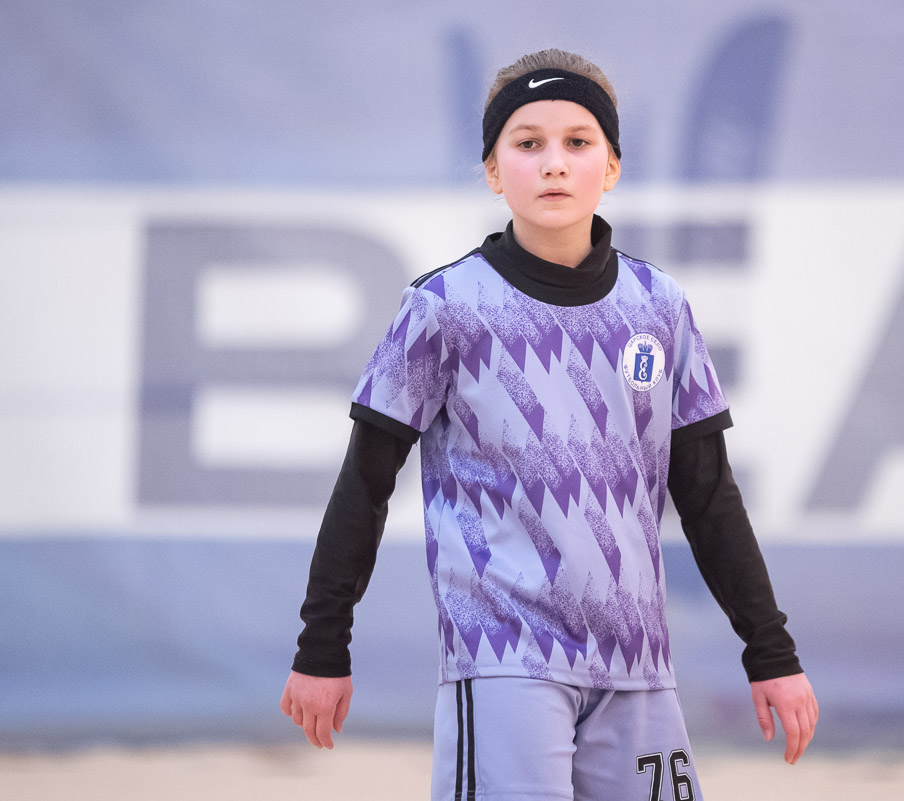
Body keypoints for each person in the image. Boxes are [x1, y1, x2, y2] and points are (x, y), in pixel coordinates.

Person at [280, 48, 818, 800]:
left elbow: (707, 494)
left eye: (578, 141)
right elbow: (364, 484)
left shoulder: (659, 307)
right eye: (527, 143)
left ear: (613, 165)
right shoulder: (444, 308)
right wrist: (322, 646)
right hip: (504, 658)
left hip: (638, 668)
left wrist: (771, 652)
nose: (554, 163)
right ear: (494, 171)